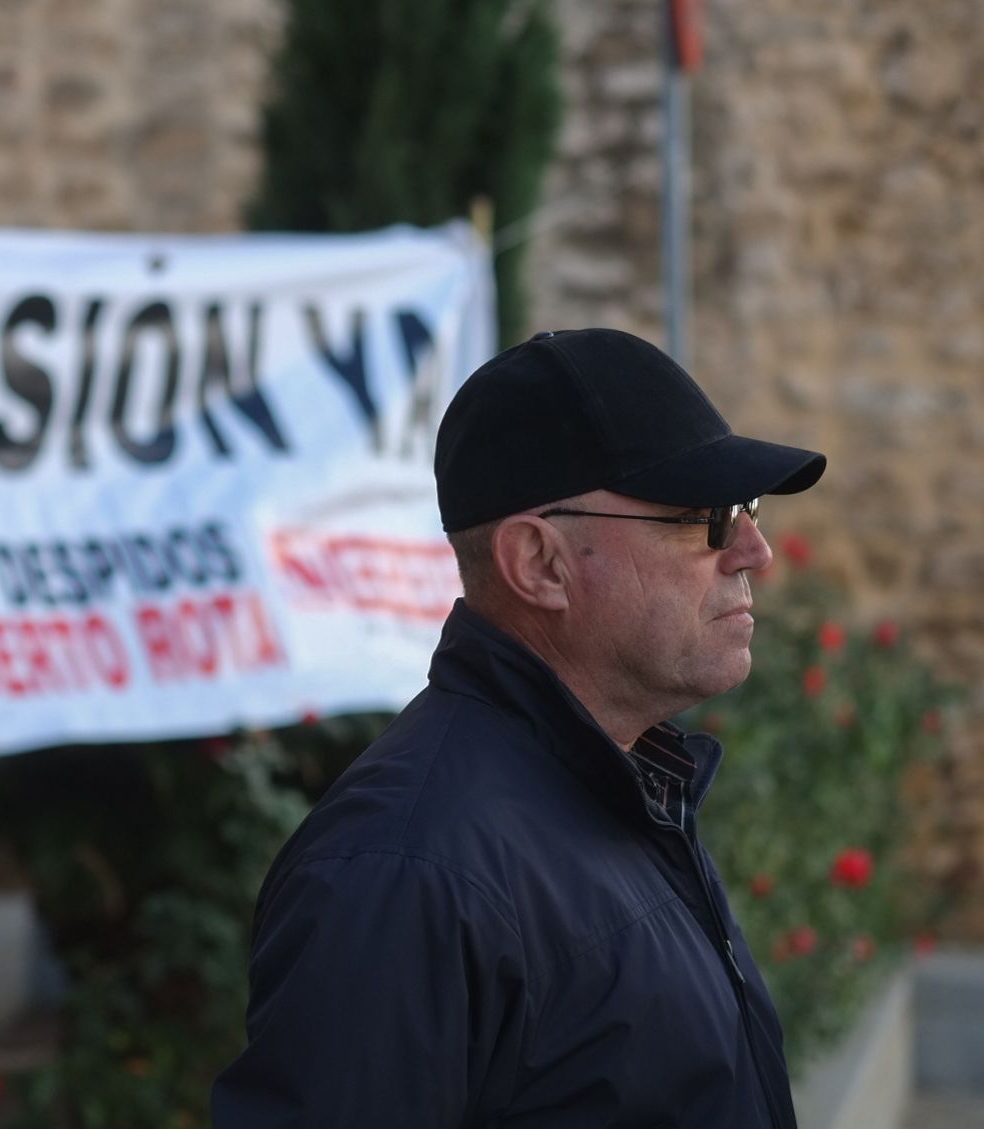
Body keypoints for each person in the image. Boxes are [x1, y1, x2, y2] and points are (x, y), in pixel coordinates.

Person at [212, 328, 824, 1128]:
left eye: (744, 508)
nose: (752, 548)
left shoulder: (619, 779)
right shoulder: (403, 872)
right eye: (700, 516)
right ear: (537, 562)